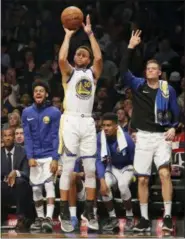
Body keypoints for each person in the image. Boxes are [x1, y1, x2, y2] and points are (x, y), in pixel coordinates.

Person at [120, 30, 179, 232]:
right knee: (143, 178)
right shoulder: (138, 85)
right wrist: (130, 47)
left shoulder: (167, 89)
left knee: (164, 174)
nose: (150, 71)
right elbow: (122, 71)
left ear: (160, 72)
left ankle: (168, 217)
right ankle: (144, 219)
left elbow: (176, 113)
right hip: (143, 137)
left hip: (162, 137)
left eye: (154, 68)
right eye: (148, 68)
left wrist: (173, 128)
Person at [58, 14, 102, 232]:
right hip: (71, 120)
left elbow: (100, 59)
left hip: (88, 122)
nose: (80, 56)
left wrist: (90, 34)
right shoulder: (70, 73)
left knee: (91, 169)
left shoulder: (93, 73)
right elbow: (60, 60)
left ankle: (90, 211)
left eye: (84, 54)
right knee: (67, 168)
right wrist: (68, 36)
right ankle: (64, 211)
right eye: (78, 54)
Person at [22, 80, 61, 232]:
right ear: (33, 94)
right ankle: (39, 218)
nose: (38, 93)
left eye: (41, 91)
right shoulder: (26, 112)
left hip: (49, 156)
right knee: (36, 189)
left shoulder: (54, 112)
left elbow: (55, 136)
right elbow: (27, 136)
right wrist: (30, 156)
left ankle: (49, 218)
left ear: (46, 94)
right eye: (36, 91)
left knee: (49, 185)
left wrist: (55, 158)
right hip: (35, 157)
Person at [96, 113, 135, 231]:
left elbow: (134, 156)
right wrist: (101, 180)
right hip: (111, 166)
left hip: (126, 166)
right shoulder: (99, 137)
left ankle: (130, 216)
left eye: (109, 125)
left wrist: (135, 174)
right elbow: (99, 160)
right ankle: (113, 218)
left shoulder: (126, 137)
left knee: (122, 185)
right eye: (103, 125)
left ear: (116, 126)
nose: (105, 128)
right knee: (105, 187)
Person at [1, 128, 33, 230]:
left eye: (10, 135)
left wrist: (16, 173)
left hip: (19, 188)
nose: (7, 138)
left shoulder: (23, 152)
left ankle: (21, 219)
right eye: (5, 136)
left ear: (14, 137)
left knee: (20, 182)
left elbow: (27, 173)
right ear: (2, 138)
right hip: (4, 187)